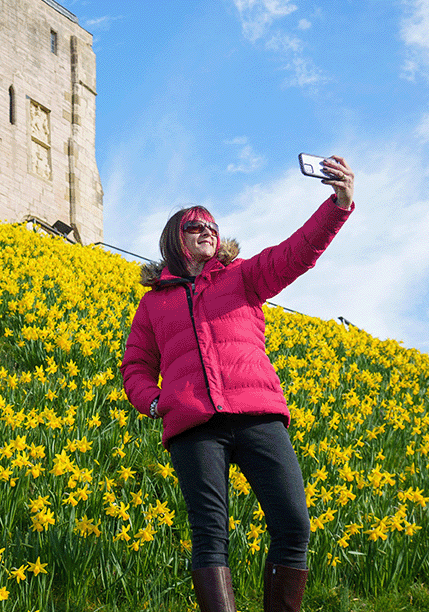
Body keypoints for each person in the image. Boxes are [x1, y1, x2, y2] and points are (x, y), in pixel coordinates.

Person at [120, 156, 355, 612]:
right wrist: (155, 403)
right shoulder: (153, 305)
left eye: (211, 225)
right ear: (175, 239)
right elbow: (136, 367)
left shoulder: (242, 277)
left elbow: (297, 252)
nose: (207, 230)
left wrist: (338, 204)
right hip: (194, 427)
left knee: (293, 525)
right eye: (194, 226)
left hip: (258, 415)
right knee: (210, 535)